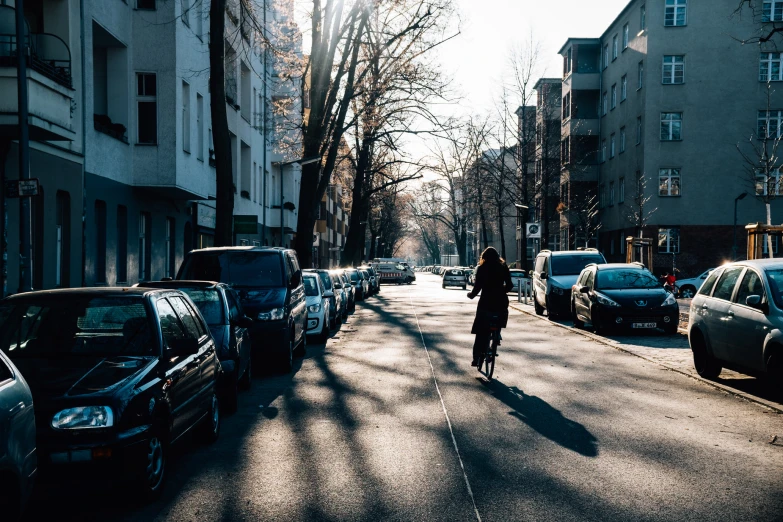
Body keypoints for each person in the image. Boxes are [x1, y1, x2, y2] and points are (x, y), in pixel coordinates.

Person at [467, 247, 514, 366]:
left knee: (480, 330)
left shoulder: (482, 268)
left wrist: (471, 295)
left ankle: (476, 357)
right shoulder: (503, 267)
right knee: (500, 316)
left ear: (484, 257)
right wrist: (502, 291)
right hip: (500, 300)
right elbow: (510, 285)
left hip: (486, 301)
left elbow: (477, 287)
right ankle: (497, 333)